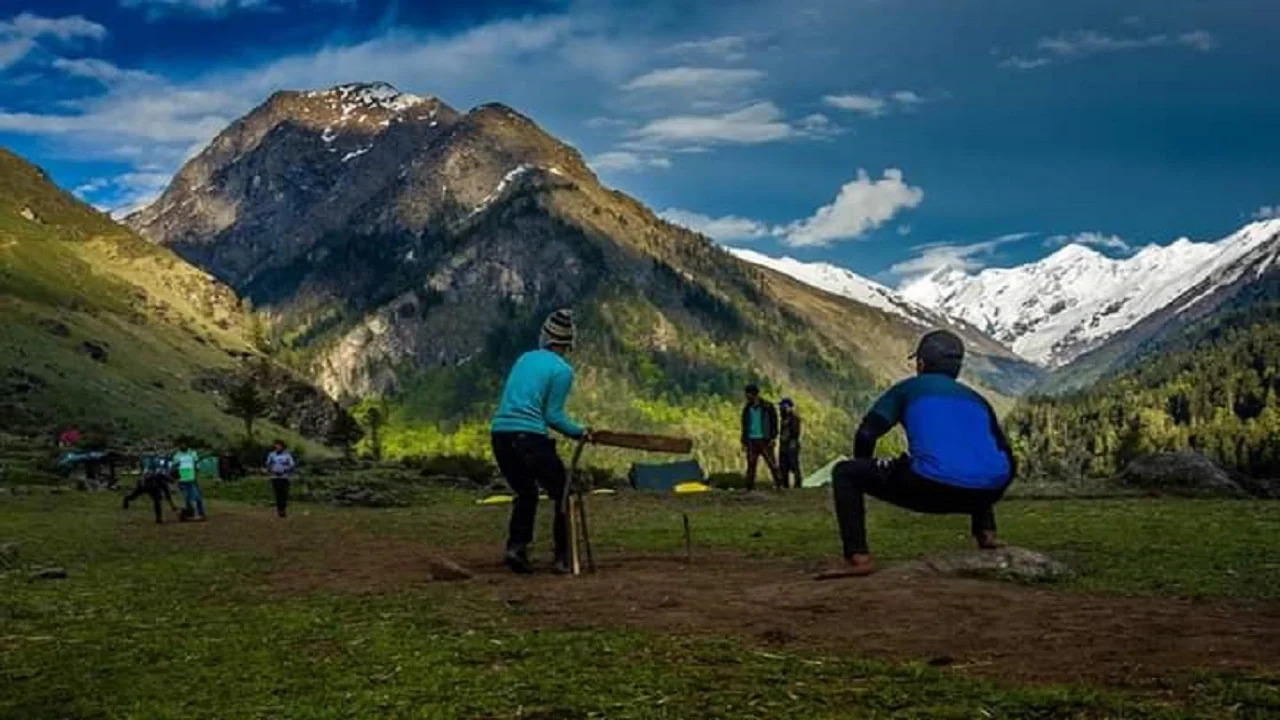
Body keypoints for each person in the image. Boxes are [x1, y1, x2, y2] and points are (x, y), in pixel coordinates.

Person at [820, 330, 1016, 578]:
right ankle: (986, 535)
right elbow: (999, 449)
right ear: (957, 368)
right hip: (990, 490)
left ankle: (858, 558)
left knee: (845, 473)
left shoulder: (908, 389)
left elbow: (867, 434)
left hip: (930, 487)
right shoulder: (977, 399)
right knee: (974, 458)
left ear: (921, 364)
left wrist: (866, 466)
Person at [490, 309, 591, 575]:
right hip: (529, 437)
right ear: (568, 343)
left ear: (545, 336)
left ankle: (517, 547)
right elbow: (552, 415)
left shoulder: (524, 359)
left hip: (500, 434)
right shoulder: (562, 371)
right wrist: (581, 432)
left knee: (526, 492)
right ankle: (563, 557)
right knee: (562, 494)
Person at [740, 384, 780, 491]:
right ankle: (749, 487)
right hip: (751, 439)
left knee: (771, 463)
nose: (746, 397)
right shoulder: (747, 409)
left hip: (765, 439)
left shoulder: (768, 407)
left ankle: (779, 484)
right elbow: (744, 425)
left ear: (753, 394)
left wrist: (773, 437)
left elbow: (774, 422)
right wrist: (744, 441)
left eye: (747, 394)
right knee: (751, 464)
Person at [123, 455, 179, 524]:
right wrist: (172, 505)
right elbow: (167, 491)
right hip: (146, 484)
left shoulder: (163, 476)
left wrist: (172, 505)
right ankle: (126, 499)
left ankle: (158, 518)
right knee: (135, 496)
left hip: (149, 483)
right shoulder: (163, 476)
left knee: (156, 499)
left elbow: (167, 493)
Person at [172, 443, 207, 521]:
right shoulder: (177, 456)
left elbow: (196, 465)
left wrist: (196, 475)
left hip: (191, 479)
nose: (183, 446)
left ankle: (199, 513)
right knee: (186, 498)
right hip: (182, 480)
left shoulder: (192, 454)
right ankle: (190, 513)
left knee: (195, 496)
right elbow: (174, 468)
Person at [265, 440, 296, 518]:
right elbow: (268, 465)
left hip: (285, 477)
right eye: (276, 446)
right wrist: (272, 471)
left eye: (279, 446)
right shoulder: (272, 455)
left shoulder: (287, 455)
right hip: (275, 476)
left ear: (282, 447)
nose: (278, 447)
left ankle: (283, 509)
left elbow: (292, 465)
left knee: (284, 494)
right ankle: (279, 510)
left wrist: (285, 470)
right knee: (278, 493)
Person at [778, 398, 803, 489]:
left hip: (792, 444)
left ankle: (798, 484)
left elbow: (795, 432)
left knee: (794, 464)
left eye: (783, 407)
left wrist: (791, 440)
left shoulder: (794, 418)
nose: (781, 408)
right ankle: (785, 484)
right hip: (784, 445)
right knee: (783, 466)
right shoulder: (783, 419)